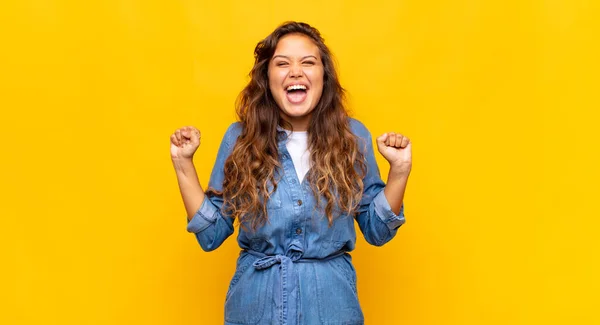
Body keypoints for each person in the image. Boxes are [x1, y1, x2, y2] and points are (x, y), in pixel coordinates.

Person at [170, 21, 411, 325]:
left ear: (324, 75)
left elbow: (377, 230)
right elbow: (211, 234)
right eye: (282, 63)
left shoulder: (354, 137)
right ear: (267, 78)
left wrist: (399, 171)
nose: (295, 71)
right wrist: (183, 164)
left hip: (332, 310)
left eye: (307, 62)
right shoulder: (239, 139)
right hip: (254, 310)